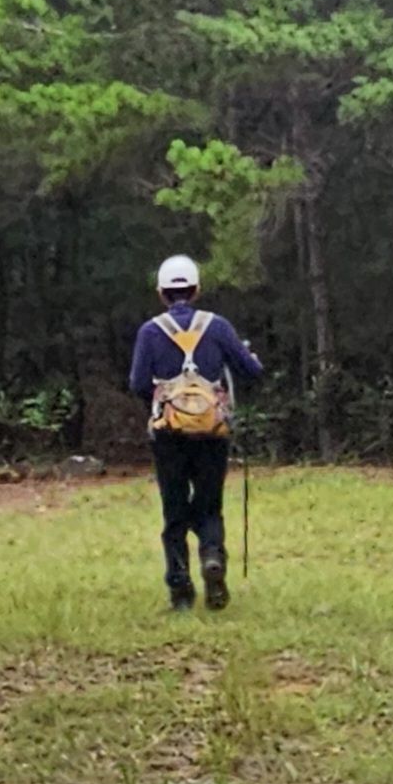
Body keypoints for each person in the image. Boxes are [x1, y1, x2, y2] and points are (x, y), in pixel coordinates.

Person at [129, 254, 264, 611]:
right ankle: (212, 556)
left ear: (162, 293)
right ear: (196, 290)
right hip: (211, 433)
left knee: (174, 510)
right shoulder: (217, 326)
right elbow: (251, 372)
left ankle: (181, 593)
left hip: (169, 435)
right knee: (209, 505)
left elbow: (138, 383)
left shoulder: (149, 331)